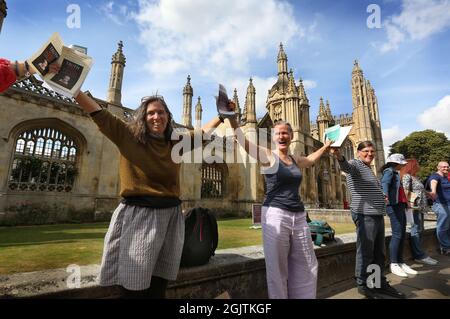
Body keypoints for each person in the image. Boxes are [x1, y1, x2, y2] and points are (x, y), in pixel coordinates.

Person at [57, 76, 226, 298]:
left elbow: (202, 133)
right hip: (139, 216)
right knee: (133, 286)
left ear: (168, 117)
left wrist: (223, 116)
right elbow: (99, 114)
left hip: (171, 217)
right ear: (143, 117)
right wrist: (74, 88)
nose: (157, 116)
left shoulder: (174, 143)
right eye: (151, 113)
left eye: (161, 112)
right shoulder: (127, 135)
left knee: (159, 285)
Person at [228, 109, 332, 299]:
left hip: (299, 215)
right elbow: (244, 143)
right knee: (277, 268)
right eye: (278, 133)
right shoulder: (268, 156)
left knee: (308, 263)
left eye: (285, 132)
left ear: (291, 136)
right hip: (276, 214)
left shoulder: (294, 159)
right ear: (274, 137)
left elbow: (309, 160)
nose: (282, 136)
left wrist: (325, 147)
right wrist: (233, 121)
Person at [330, 142, 406, 299]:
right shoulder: (354, 164)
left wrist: (381, 195)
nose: (370, 154)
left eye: (372, 151)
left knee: (378, 252)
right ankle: (364, 285)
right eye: (366, 151)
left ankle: (378, 283)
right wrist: (338, 155)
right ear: (358, 153)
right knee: (366, 251)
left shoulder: (368, 169)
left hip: (376, 213)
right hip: (364, 214)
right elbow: (345, 167)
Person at [381, 154, 418, 278]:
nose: (403, 165)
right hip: (393, 206)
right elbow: (384, 184)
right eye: (402, 163)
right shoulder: (389, 171)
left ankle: (401, 262)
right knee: (397, 234)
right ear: (396, 163)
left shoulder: (396, 173)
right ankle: (394, 263)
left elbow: (400, 190)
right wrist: (385, 195)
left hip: (400, 205)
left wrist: (406, 203)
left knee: (401, 233)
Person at [400, 159, 438, 265]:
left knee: (420, 229)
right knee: (416, 230)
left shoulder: (414, 177)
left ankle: (421, 253)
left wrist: (429, 193)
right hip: (414, 207)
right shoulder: (407, 176)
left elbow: (419, 190)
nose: (419, 166)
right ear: (411, 166)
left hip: (420, 207)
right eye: (417, 164)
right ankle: (419, 255)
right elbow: (405, 190)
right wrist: (408, 206)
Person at [429, 161, 450, 256]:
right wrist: (433, 191)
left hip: (448, 204)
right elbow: (433, 182)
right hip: (441, 205)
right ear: (438, 167)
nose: (446, 168)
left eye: (447, 167)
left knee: (447, 226)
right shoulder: (435, 176)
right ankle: (445, 248)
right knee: (442, 226)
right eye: (443, 167)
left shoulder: (445, 177)